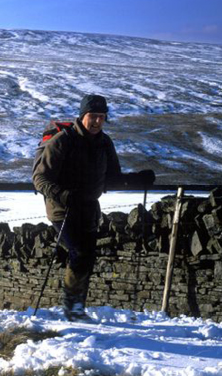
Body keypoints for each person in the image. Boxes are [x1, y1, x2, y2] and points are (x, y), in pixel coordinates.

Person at [32, 94, 155, 321]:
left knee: (87, 256)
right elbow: (39, 179)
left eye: (102, 117)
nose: (97, 121)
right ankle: (73, 308)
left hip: (89, 206)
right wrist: (63, 195)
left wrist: (138, 179)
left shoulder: (104, 143)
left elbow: (112, 179)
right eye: (93, 116)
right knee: (79, 252)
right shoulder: (62, 141)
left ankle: (77, 307)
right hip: (62, 208)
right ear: (82, 116)